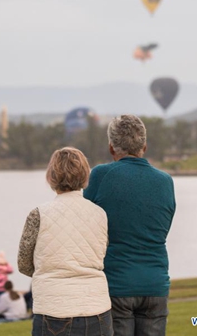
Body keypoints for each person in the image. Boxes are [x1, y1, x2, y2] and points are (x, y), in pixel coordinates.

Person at [84, 114, 176, 336]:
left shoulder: (100, 175)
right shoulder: (165, 181)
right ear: (144, 146)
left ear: (111, 148)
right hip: (155, 285)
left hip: (116, 284)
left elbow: (84, 221)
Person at [18, 147, 113, 336]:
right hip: (96, 308)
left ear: (51, 177)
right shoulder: (100, 214)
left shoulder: (38, 214)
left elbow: (23, 263)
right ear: (85, 175)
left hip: (52, 309)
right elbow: (101, 254)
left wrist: (48, 271)